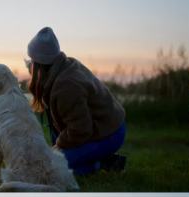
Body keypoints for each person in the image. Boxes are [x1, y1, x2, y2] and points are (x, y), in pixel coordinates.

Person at [27, 27, 127, 175]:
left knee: (52, 168)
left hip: (108, 133)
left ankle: (102, 162)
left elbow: (81, 129)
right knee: (52, 159)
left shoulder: (66, 85)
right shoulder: (63, 65)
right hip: (97, 127)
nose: (30, 64)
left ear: (39, 63)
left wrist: (59, 146)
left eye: (31, 60)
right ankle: (86, 157)